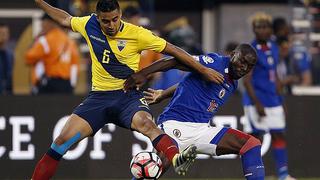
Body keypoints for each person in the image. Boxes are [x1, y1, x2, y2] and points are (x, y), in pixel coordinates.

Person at [31, 0, 224, 179]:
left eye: (115, 19)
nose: (111, 25)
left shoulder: (137, 34)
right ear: (98, 18)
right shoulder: (88, 24)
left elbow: (174, 50)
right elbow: (65, 18)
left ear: (120, 14)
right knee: (60, 143)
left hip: (127, 97)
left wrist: (203, 69)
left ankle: (176, 159)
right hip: (98, 99)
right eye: (106, 21)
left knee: (147, 125)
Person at [124, 44, 265, 180]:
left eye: (249, 65)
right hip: (175, 125)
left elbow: (187, 84)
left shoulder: (233, 83)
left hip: (201, 130)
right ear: (233, 54)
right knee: (153, 169)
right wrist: (144, 73)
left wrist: (163, 94)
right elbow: (174, 62)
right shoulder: (214, 62)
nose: (244, 67)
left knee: (251, 144)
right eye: (242, 61)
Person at [242, 12, 295, 180]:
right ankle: (253, 175)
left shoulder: (273, 47)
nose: (262, 30)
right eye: (258, 27)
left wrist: (282, 101)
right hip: (257, 101)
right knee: (254, 140)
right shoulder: (250, 50)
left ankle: (283, 174)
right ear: (254, 30)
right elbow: (247, 80)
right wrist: (257, 103)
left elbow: (276, 76)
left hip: (274, 100)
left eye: (265, 27)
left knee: (279, 135)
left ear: (270, 30)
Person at [25, 13, 80, 94]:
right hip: (66, 85)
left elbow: (28, 58)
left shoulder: (45, 40)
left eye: (43, 22)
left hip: (49, 84)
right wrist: (72, 85)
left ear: (50, 23)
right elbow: (74, 66)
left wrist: (37, 38)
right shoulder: (70, 42)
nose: (42, 25)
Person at [0, 23, 14, 95]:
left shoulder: (10, 55)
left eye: (6, 33)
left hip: (7, 95)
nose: (4, 36)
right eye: (1, 33)